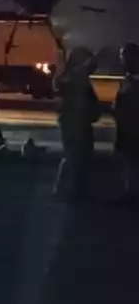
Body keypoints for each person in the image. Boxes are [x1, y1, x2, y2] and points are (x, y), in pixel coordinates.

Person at [53, 46, 101, 201]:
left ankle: (67, 189)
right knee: (78, 157)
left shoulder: (66, 77)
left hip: (73, 122)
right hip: (77, 123)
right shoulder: (74, 78)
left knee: (74, 157)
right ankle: (74, 190)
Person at [115, 43, 139, 202]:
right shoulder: (127, 79)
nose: (122, 60)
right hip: (127, 127)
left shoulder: (131, 81)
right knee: (130, 162)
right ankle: (130, 191)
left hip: (134, 127)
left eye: (124, 56)